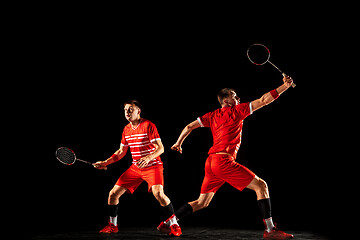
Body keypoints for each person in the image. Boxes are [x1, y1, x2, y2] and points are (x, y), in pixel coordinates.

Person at [158, 76, 295, 239]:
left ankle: (168, 222)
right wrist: (285, 86)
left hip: (211, 163)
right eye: (234, 95)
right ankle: (270, 230)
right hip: (223, 162)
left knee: (202, 202)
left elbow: (189, 126)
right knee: (261, 186)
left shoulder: (212, 115)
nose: (238, 97)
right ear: (226, 101)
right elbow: (264, 100)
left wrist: (178, 143)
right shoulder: (237, 111)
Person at [94, 100, 181, 236]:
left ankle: (175, 224)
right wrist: (106, 162)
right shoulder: (126, 129)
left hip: (153, 166)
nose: (127, 112)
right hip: (136, 167)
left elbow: (161, 149)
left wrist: (147, 158)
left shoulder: (148, 125)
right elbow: (121, 152)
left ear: (138, 111)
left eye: (131, 109)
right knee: (113, 194)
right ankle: (113, 225)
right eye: (125, 110)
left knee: (158, 193)